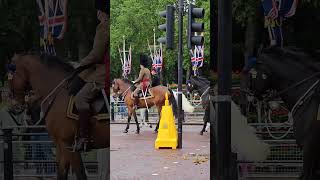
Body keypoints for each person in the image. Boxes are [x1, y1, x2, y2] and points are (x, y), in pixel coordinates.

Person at [74, 0, 108, 152]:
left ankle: (84, 137)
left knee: (80, 98)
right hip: (102, 68)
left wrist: (80, 65)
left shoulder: (103, 26)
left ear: (101, 13)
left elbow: (96, 54)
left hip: (103, 72)